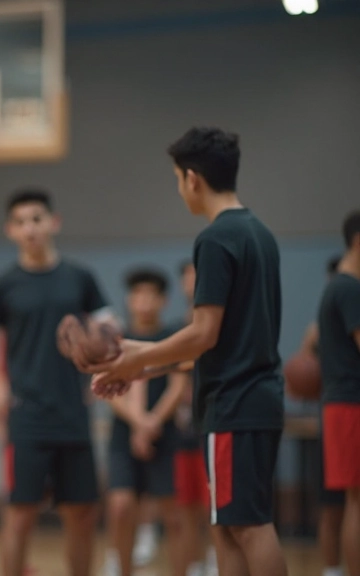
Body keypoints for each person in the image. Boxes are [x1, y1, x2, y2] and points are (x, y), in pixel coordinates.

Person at [87, 127, 287, 576]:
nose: (180, 189)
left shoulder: (215, 239)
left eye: (178, 179)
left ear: (192, 178)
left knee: (250, 528)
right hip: (254, 398)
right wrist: (139, 364)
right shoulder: (261, 234)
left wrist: (136, 360)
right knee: (228, 529)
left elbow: (204, 334)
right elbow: (225, 340)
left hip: (235, 405)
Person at [0, 188, 116, 576]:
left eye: (36, 219)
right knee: (19, 516)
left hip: (73, 415)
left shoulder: (80, 278)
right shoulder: (3, 286)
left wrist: (101, 363)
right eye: (20, 222)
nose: (30, 228)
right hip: (26, 418)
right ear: (10, 230)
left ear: (54, 222)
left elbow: (109, 329)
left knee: (83, 513)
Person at [100, 269, 188, 576]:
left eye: (152, 294)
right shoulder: (116, 340)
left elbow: (179, 386)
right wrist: (138, 422)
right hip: (124, 433)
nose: (144, 301)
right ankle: (123, 568)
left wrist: (153, 422)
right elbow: (110, 392)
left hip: (164, 432)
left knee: (174, 516)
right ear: (129, 299)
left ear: (163, 300)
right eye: (138, 294)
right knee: (121, 508)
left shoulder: (174, 338)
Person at [318, 211, 360, 576]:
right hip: (351, 405)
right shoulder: (349, 288)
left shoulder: (338, 286)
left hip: (341, 404)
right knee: (356, 500)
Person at [299, 255, 347, 576]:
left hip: (345, 412)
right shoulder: (318, 330)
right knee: (331, 505)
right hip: (335, 416)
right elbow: (301, 372)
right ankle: (331, 569)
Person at [170, 260, 217, 576]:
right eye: (187, 277)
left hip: (214, 423)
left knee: (213, 506)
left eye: (196, 276)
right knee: (185, 506)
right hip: (185, 429)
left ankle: (217, 560)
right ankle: (194, 565)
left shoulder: (218, 323)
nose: (191, 282)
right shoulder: (176, 328)